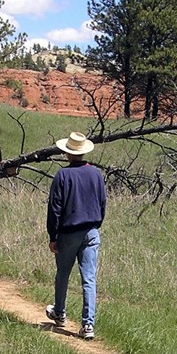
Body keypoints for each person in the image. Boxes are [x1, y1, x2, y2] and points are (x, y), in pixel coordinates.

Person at [45, 132, 107, 340]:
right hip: (91, 231)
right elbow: (102, 203)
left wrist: (53, 236)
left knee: (63, 273)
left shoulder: (62, 176)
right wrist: (96, 225)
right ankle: (88, 325)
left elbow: (55, 209)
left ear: (67, 153)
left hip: (68, 233)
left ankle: (60, 312)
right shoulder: (96, 174)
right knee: (89, 279)